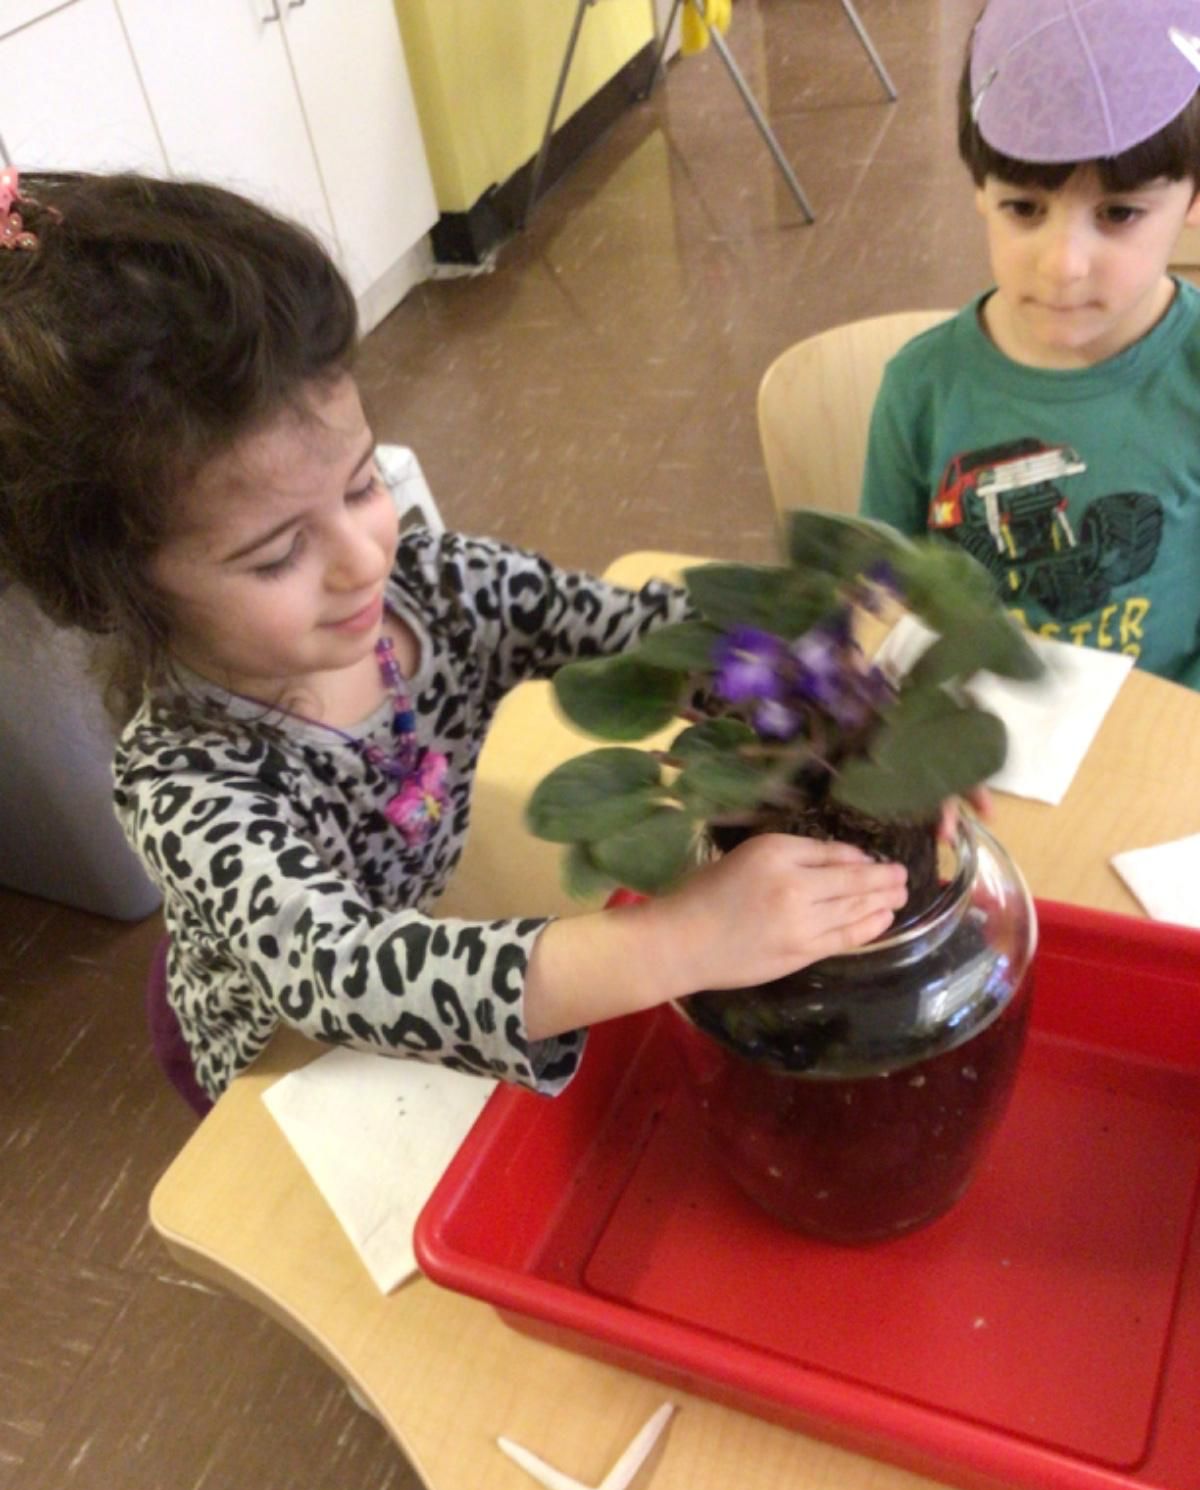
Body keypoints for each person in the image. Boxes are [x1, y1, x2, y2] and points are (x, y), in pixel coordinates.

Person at [0, 170, 908, 1112]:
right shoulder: (183, 779)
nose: (363, 560)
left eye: (360, 484)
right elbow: (342, 973)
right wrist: (683, 941)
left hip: (429, 943)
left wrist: (820, 706)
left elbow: (635, 633)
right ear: (117, 594)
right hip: (282, 1051)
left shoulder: (441, 585)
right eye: (277, 555)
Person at [860, 0, 1200, 687]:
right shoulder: (920, 387)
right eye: (1025, 208)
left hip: (1160, 751)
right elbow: (877, 597)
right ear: (980, 192)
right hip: (964, 748)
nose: (1063, 264)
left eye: (1118, 213)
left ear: (1193, 200)